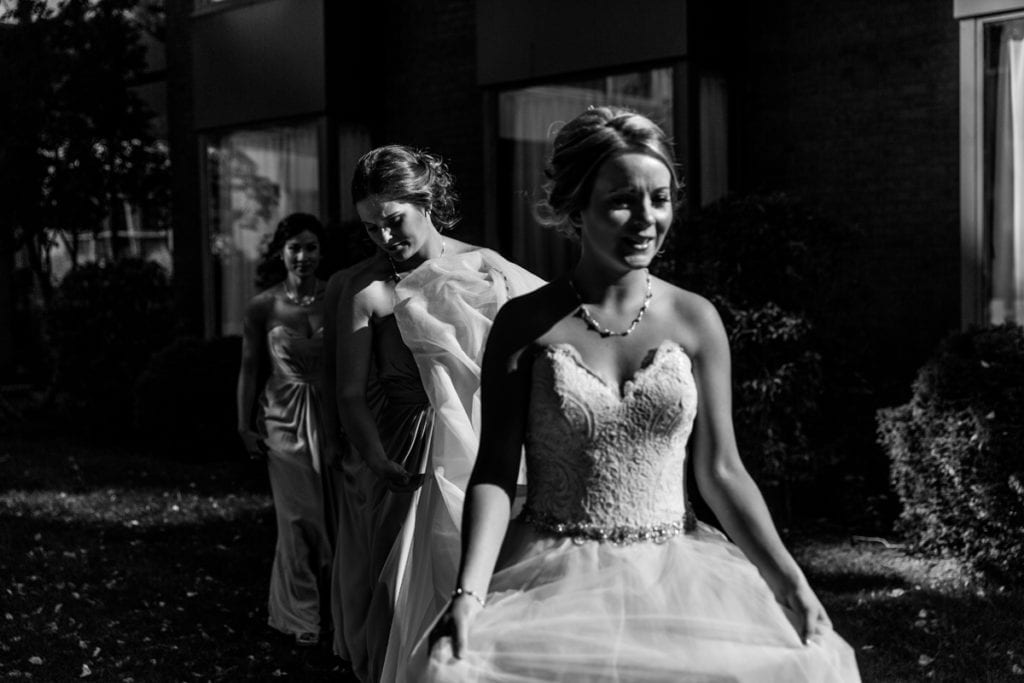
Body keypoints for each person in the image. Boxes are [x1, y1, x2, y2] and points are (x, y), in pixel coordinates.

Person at [421, 107, 861, 681]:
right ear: (576, 207)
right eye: (622, 200)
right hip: (552, 583)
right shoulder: (524, 322)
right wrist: (470, 594)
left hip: (678, 579)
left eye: (661, 198)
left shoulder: (696, 320)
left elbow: (723, 471)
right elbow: (496, 473)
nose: (646, 219)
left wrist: (791, 584)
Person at [327, 145, 544, 682]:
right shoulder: (368, 291)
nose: (384, 237)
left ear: (426, 202)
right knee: (398, 591)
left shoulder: (488, 268)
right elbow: (350, 394)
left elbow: (543, 356)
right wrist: (376, 460)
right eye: (371, 228)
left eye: (393, 220)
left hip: (482, 440)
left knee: (487, 578)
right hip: (405, 454)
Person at [236, 212, 340, 647]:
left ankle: (337, 611)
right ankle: (300, 615)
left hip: (332, 417)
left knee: (335, 520)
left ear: (321, 251)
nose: (303, 256)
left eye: (311, 247)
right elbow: (249, 369)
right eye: (295, 247)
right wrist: (243, 426)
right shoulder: (263, 306)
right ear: (281, 251)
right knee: (298, 519)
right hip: (283, 419)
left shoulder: (337, 295)